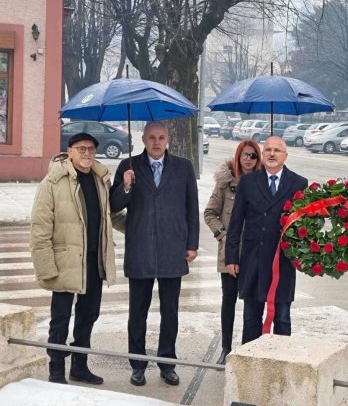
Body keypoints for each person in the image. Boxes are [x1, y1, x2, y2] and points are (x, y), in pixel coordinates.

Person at [110, 121, 199, 387]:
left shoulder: (183, 167)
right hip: (141, 250)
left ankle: (167, 363)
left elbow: (191, 208)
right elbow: (113, 205)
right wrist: (125, 187)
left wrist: (191, 244)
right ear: (143, 139)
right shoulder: (128, 166)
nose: (157, 142)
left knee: (170, 312)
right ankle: (137, 364)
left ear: (168, 138)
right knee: (138, 311)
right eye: (151, 138)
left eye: (161, 137)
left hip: (173, 249)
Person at [30, 133, 124, 385]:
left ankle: (79, 367)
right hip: (66, 263)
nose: (87, 154)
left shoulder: (100, 179)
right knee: (60, 319)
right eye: (81, 149)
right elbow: (40, 230)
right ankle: (56, 370)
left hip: (95, 263)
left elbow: (110, 216)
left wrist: (139, 227)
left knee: (88, 316)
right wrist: (46, 269)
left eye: (91, 149)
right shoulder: (53, 182)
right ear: (69, 151)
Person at [225, 136, 308, 344]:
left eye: (277, 151)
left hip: (282, 263)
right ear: (262, 155)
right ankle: (250, 363)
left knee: (282, 317)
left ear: (285, 156)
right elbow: (236, 223)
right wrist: (231, 257)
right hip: (252, 260)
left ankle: (280, 366)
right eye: (268, 150)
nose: (272, 154)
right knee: (251, 318)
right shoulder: (248, 182)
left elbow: (304, 226)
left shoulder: (298, 183)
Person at [203, 139, 262, 365]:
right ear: (238, 157)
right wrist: (225, 236)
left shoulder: (262, 183)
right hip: (230, 254)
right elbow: (209, 213)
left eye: (253, 156)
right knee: (229, 300)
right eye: (244, 155)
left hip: (254, 253)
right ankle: (226, 348)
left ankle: (250, 348)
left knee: (253, 303)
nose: (248, 159)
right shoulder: (225, 184)